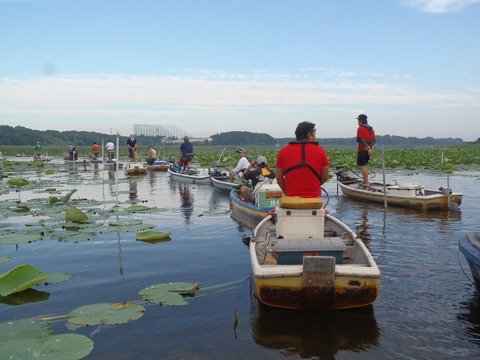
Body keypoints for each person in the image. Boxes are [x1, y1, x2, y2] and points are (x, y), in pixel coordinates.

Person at [276, 121, 330, 198]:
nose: (315, 137)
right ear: (309, 135)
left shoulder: (283, 151)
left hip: (291, 197)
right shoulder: (320, 150)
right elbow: (325, 176)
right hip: (314, 197)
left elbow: (278, 178)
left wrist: (287, 192)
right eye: (314, 135)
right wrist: (314, 187)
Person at [356, 114, 376, 188]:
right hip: (369, 150)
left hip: (363, 149)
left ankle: (366, 183)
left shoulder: (360, 128)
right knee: (365, 165)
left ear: (361, 121)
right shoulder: (371, 129)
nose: (358, 122)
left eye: (358, 120)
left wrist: (366, 147)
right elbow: (374, 140)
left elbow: (361, 138)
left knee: (363, 166)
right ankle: (365, 181)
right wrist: (370, 147)